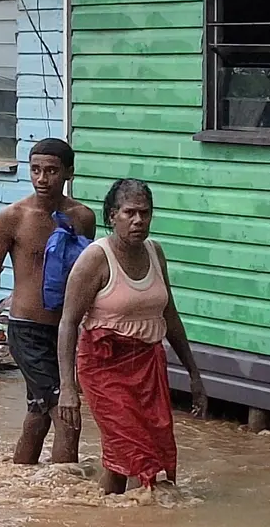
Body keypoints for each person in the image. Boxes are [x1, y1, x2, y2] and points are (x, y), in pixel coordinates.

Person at [0, 137, 97, 468]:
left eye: (51, 171)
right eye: (36, 170)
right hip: (26, 331)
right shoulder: (12, 218)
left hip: (63, 332)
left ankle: (20, 481)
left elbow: (87, 279)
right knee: (67, 417)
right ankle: (60, 504)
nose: (42, 179)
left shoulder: (82, 218)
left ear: (69, 172)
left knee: (39, 413)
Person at [56, 179, 209, 493]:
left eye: (145, 213)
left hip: (148, 365)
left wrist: (194, 374)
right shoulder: (95, 259)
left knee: (155, 448)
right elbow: (68, 323)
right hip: (104, 366)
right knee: (127, 448)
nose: (139, 220)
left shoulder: (155, 252)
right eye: (130, 213)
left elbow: (170, 315)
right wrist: (67, 387)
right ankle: (110, 520)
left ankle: (129, 522)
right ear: (112, 216)